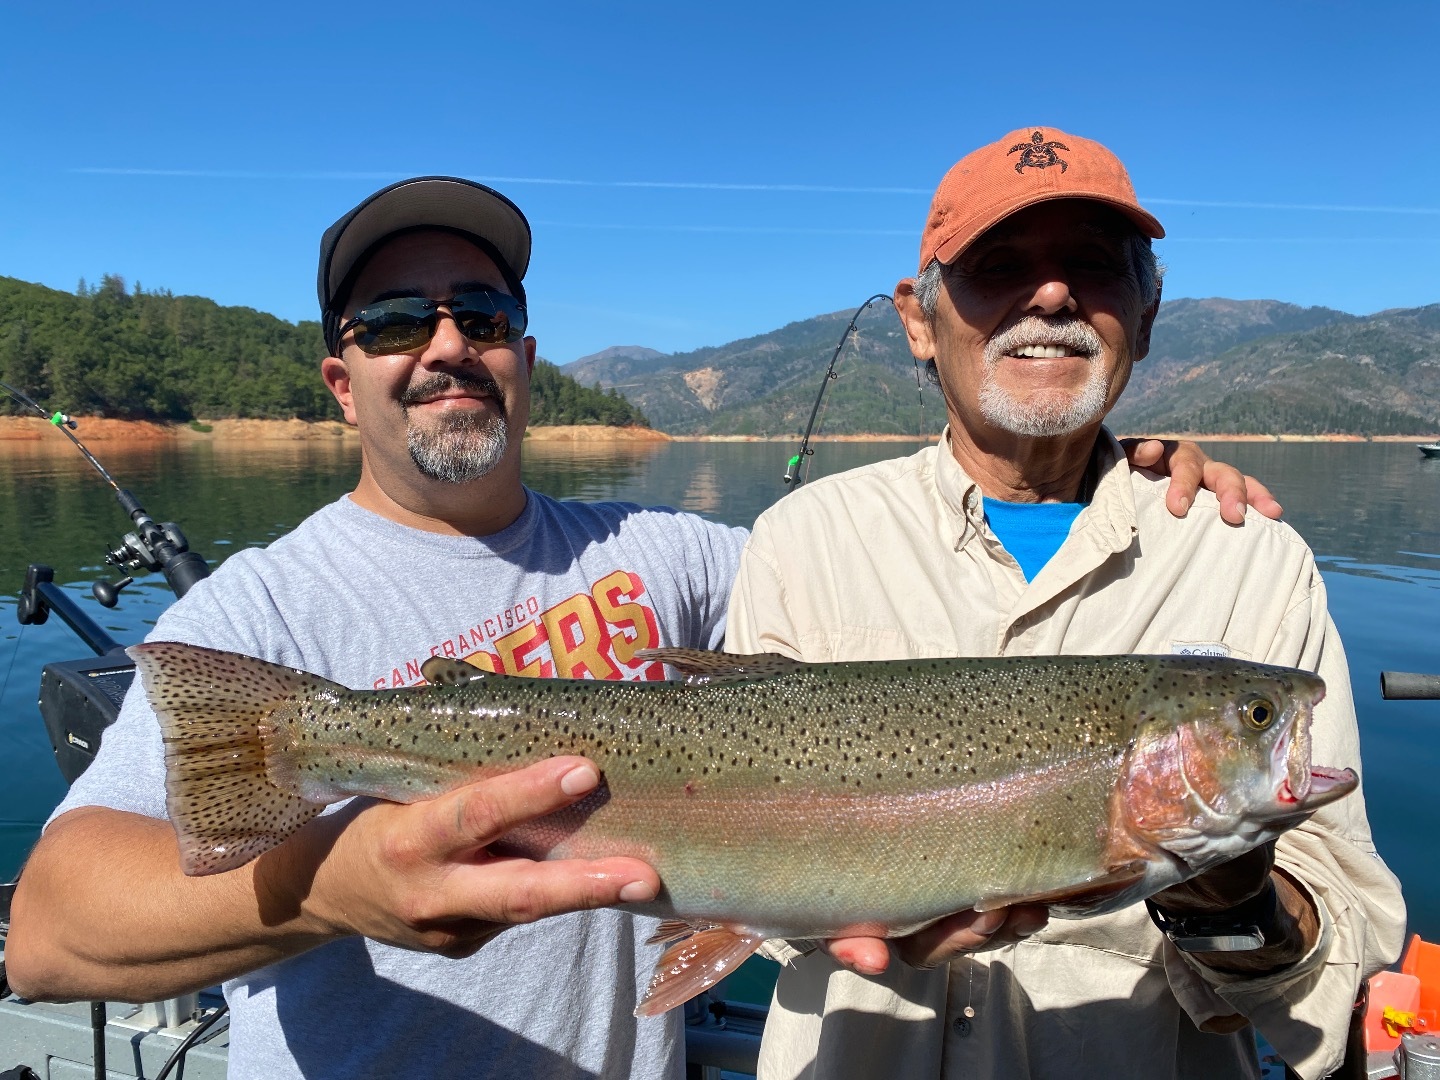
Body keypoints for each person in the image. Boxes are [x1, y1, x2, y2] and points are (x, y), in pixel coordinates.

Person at [7, 174, 1276, 1080]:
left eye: (482, 317)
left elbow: (906, 557)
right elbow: (51, 935)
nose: (447, 347)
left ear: (523, 354)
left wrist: (1108, 462)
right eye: (396, 324)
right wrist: (345, 887)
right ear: (342, 378)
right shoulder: (263, 610)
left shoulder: (669, 555)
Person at [726, 129, 1406, 1080]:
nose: (1051, 296)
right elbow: (746, 903)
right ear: (919, 322)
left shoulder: (1249, 556)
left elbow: (1335, 968)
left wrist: (1230, 902)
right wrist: (835, 904)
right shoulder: (803, 539)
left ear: (1149, 311)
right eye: (1000, 267)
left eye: (1093, 267)